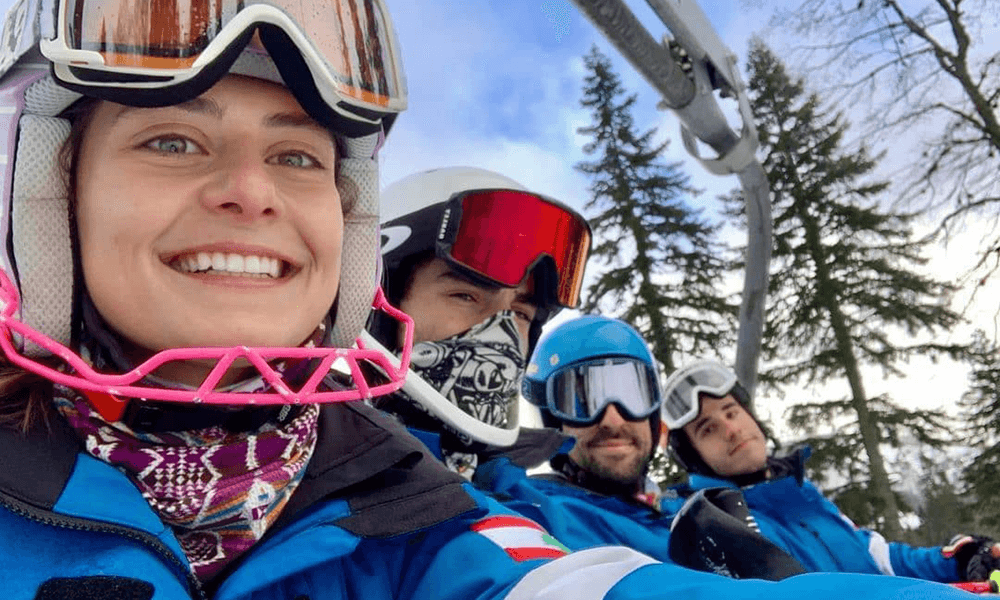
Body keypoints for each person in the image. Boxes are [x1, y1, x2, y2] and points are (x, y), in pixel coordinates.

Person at [663, 359, 1000, 584]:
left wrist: (959, 557)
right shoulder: (710, 528)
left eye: (731, 412)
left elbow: (879, 559)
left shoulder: (799, 494)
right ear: (694, 458)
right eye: (708, 429)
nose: (731, 429)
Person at [366, 166, 592, 477]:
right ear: (380, 303)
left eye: (520, 314)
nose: (502, 334)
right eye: (466, 296)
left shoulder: (529, 507)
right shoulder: (302, 467)